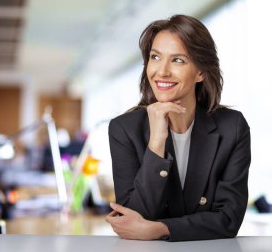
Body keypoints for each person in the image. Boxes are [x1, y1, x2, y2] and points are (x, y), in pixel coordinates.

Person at [106, 14, 251, 241]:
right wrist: (156, 144)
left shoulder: (232, 127)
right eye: (155, 57)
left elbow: (228, 220)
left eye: (178, 60)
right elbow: (131, 219)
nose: (162, 71)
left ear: (201, 72)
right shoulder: (123, 129)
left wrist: (161, 228)